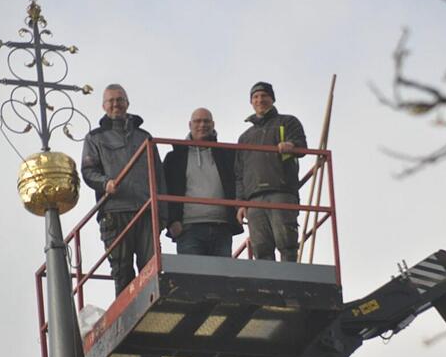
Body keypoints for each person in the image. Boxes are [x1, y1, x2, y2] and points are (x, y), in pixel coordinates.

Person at [81, 84, 168, 296]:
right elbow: (88, 171)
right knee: (122, 270)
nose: (115, 104)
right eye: (111, 101)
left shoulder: (144, 137)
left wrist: (164, 215)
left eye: (119, 100)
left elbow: (159, 177)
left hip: (145, 211)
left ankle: (152, 312)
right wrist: (105, 183)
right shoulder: (95, 138)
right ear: (103, 106)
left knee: (151, 268)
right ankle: (128, 318)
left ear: (127, 103)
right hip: (115, 211)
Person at [235, 82, 307, 262]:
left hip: (281, 192)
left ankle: (291, 279)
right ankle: (268, 287)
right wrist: (241, 203)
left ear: (272, 99)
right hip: (254, 199)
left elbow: (302, 146)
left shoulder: (287, 122)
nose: (260, 100)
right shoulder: (245, 137)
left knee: (286, 242)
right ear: (251, 102)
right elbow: (239, 173)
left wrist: (291, 146)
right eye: (255, 97)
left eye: (264, 96)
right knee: (261, 247)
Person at [163, 108, 243, 256]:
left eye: (206, 121)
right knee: (193, 278)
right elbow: (163, 190)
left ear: (213, 124)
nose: (202, 125)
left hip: (222, 227)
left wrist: (240, 206)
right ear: (189, 125)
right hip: (188, 229)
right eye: (197, 121)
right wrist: (171, 221)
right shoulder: (175, 158)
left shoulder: (228, 154)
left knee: (222, 278)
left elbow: (240, 181)